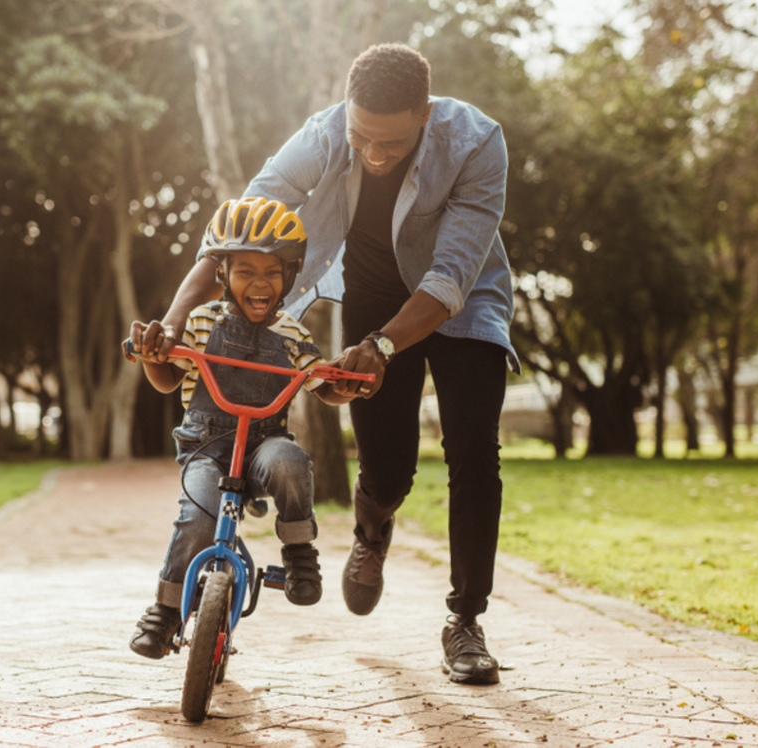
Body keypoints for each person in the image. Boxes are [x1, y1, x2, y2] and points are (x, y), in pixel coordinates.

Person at [135, 43, 518, 685]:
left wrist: (385, 347)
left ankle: (465, 621)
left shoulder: (477, 143)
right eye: (362, 136)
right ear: (347, 110)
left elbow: (451, 274)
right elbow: (237, 232)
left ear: (425, 114)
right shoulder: (322, 134)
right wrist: (173, 322)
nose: (373, 154)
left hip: (463, 297)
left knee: (474, 451)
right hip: (373, 291)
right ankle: (373, 530)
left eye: (391, 144)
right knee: (389, 468)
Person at [127, 197, 359, 660]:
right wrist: (154, 357)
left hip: (263, 446)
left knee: (291, 463)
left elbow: (322, 385)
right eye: (245, 270)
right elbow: (169, 378)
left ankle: (298, 552)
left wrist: (347, 385)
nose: (259, 283)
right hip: (206, 447)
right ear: (222, 274)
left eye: (272, 273)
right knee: (197, 518)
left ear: (290, 276)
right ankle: (166, 609)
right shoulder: (199, 322)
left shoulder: (293, 335)